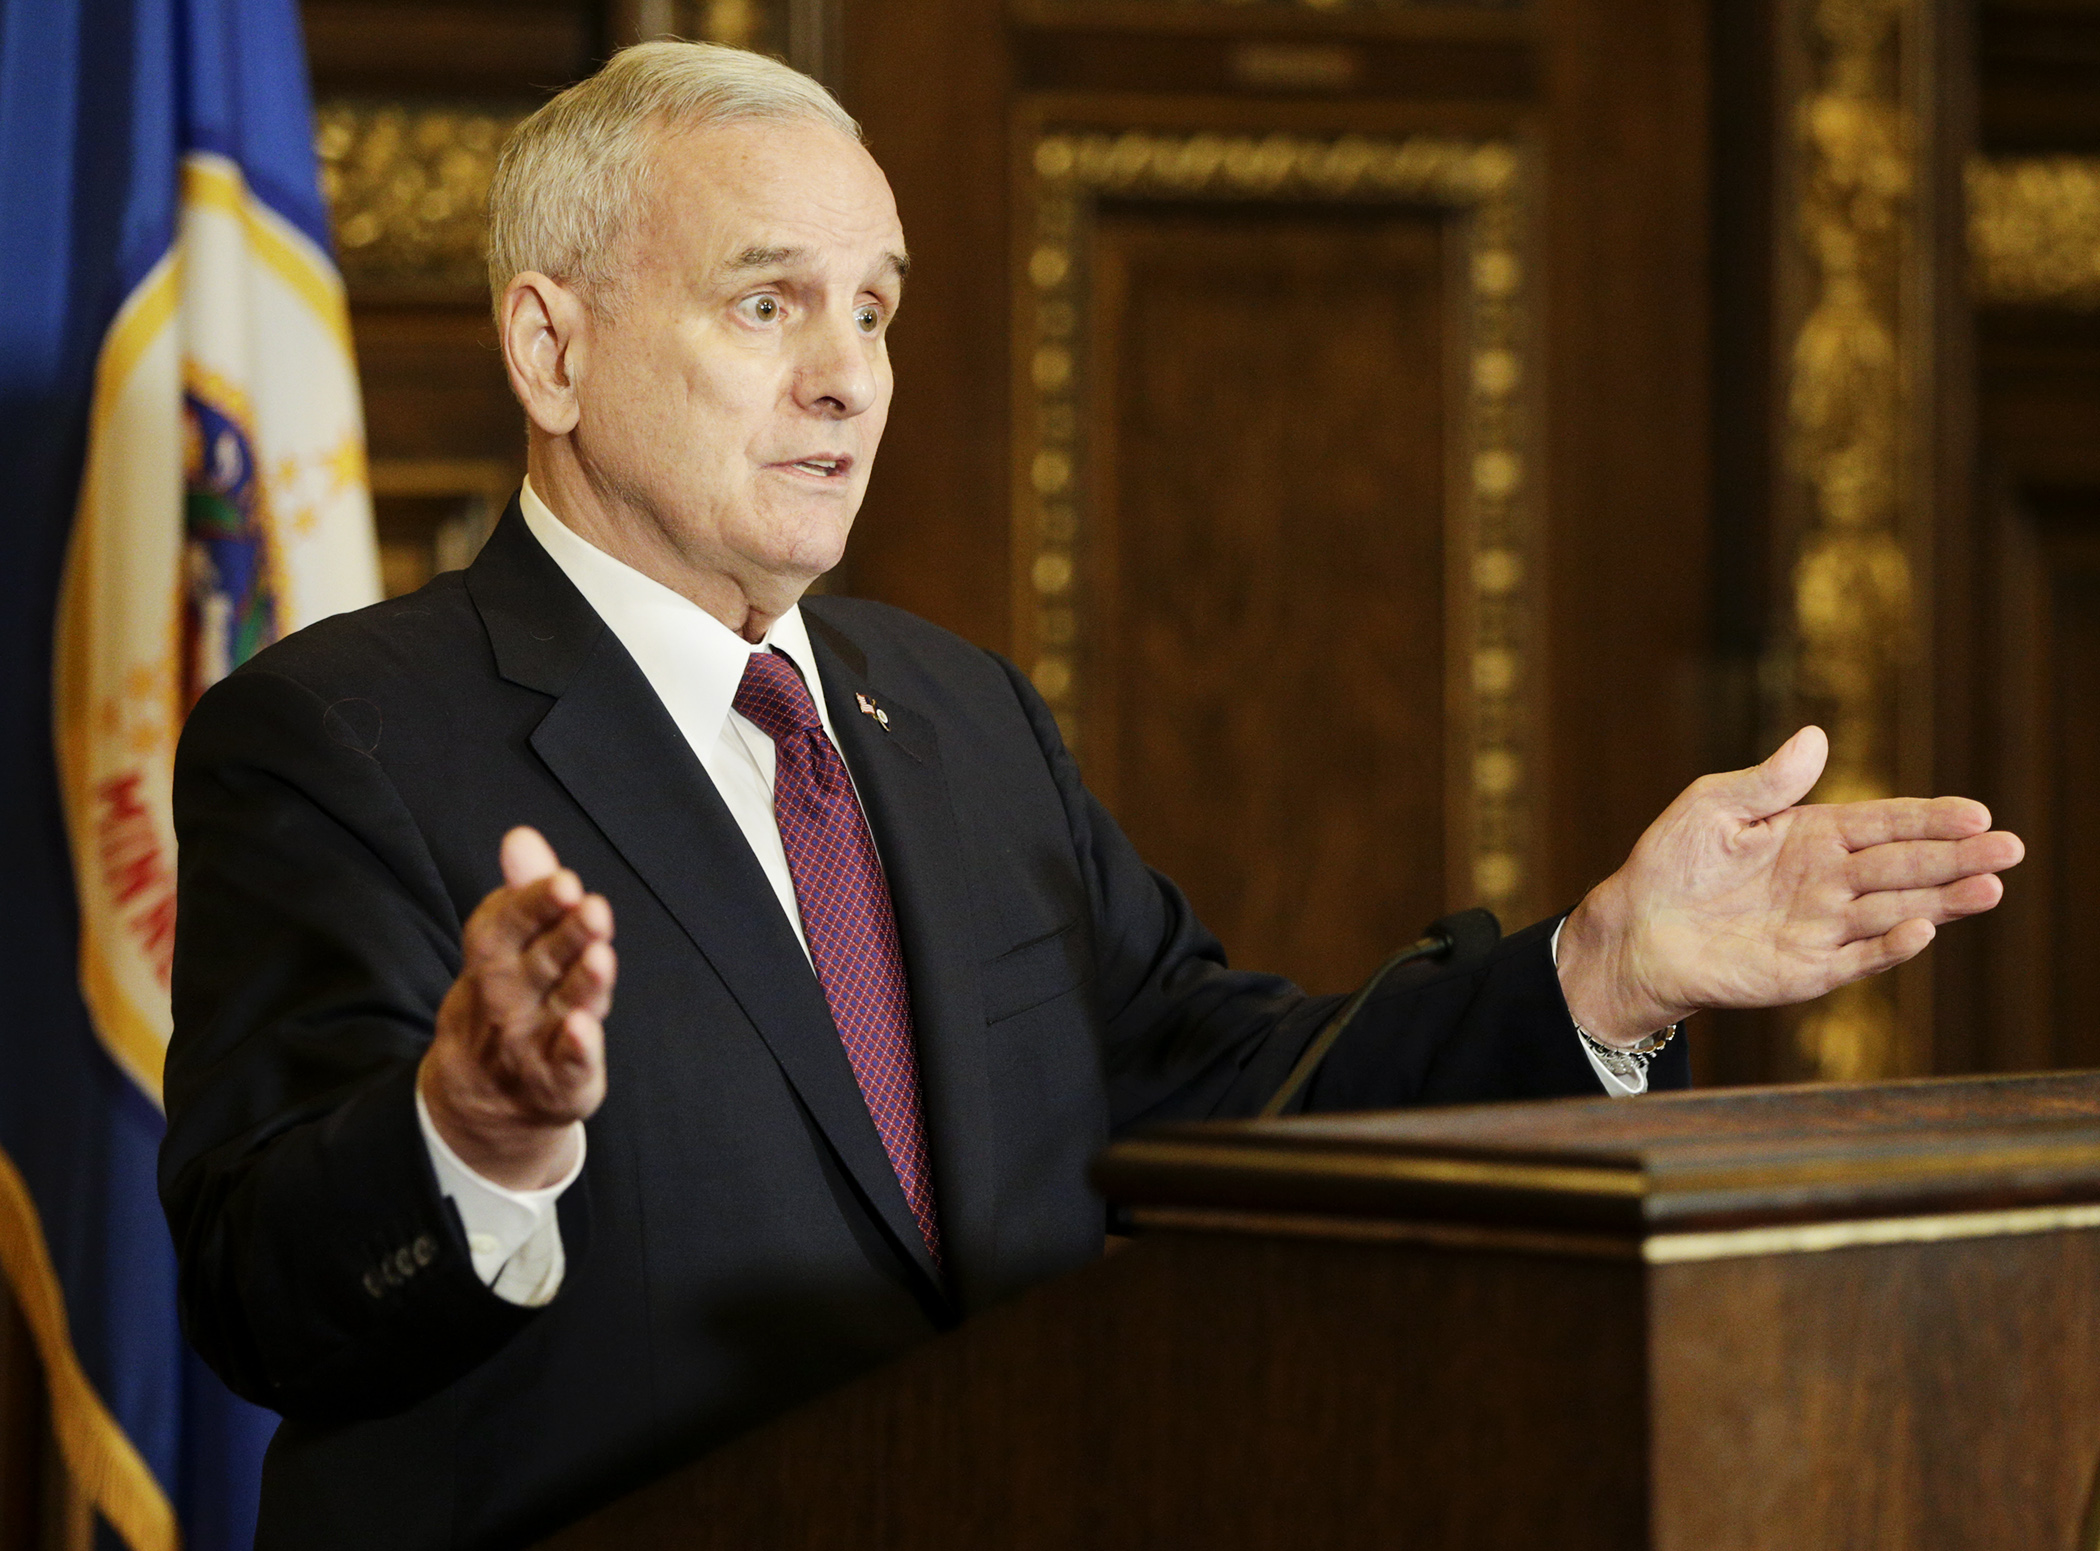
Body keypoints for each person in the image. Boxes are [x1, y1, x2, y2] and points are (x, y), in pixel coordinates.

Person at [159, 41, 2024, 1551]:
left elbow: (1223, 1096)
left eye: (876, 313)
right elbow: (261, 1292)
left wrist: (1604, 977)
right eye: (766, 305)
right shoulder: (337, 738)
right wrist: (473, 1135)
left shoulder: (952, 716)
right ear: (549, 345)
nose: (846, 382)